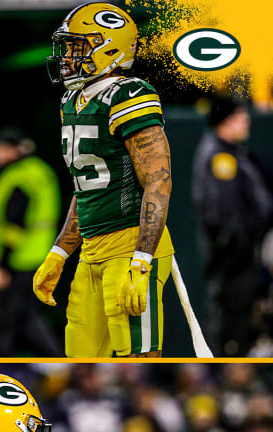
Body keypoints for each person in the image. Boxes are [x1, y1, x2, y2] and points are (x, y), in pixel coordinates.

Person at [33, 2, 176, 357]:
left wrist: (142, 260)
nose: (66, 56)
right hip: (91, 252)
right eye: (66, 47)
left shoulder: (129, 94)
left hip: (129, 247)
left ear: (108, 48)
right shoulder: (73, 99)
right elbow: (87, 186)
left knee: (139, 357)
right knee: (80, 356)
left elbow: (158, 180)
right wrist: (59, 252)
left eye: (76, 46)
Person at [0, 127, 63, 356]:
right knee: (24, 318)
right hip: (33, 256)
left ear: (13, 150)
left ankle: (52, 357)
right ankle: (56, 356)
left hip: (16, 260)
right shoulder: (38, 172)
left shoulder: (20, 177)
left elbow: (14, 224)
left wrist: (1, 266)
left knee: (3, 322)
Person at [192, 98, 273, 356]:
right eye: (240, 116)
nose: (246, 120)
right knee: (232, 320)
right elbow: (221, 211)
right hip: (234, 258)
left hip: (245, 255)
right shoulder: (218, 156)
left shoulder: (233, 152)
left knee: (245, 317)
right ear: (225, 121)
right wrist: (238, 244)